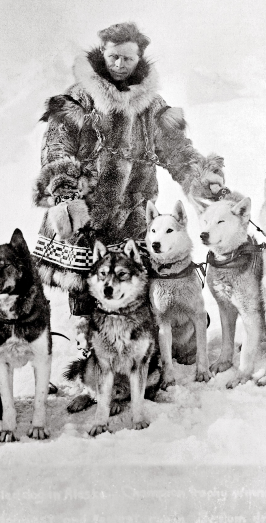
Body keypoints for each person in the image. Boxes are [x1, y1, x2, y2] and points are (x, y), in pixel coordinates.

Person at [33, 22, 225, 343]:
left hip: (132, 218)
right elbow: (56, 148)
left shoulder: (152, 107)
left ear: (140, 60)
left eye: (128, 59)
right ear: (102, 53)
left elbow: (178, 152)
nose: (120, 65)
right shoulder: (78, 99)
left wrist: (205, 183)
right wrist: (66, 195)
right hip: (85, 219)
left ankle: (162, 348)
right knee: (85, 293)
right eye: (114, 57)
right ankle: (86, 350)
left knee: (138, 290)